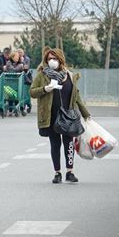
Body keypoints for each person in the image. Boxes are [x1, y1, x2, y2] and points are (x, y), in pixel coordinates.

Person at [30, 47, 90, 184]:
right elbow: (32, 92)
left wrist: (85, 113)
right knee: (55, 144)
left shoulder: (69, 75)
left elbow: (77, 96)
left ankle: (70, 172)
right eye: (49, 59)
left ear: (60, 59)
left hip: (68, 115)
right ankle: (57, 173)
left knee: (69, 143)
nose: (52, 61)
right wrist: (45, 89)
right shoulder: (42, 74)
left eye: (54, 58)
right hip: (50, 115)